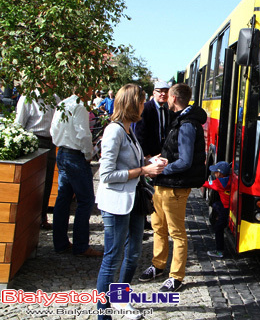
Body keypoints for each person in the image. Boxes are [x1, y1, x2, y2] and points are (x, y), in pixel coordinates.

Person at [95, 84, 166, 320]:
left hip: (133, 199)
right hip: (117, 201)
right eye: (141, 101)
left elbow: (130, 162)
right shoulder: (114, 131)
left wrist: (149, 159)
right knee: (113, 257)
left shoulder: (128, 130)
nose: (144, 105)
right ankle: (102, 314)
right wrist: (144, 169)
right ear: (130, 103)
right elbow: (106, 175)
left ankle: (121, 300)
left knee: (134, 253)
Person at [138, 83, 207, 292]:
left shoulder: (186, 124)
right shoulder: (181, 119)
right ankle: (158, 265)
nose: (166, 99)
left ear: (174, 99)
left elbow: (185, 162)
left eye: (168, 96)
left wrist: (161, 169)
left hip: (174, 186)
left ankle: (176, 276)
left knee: (177, 233)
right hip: (164, 185)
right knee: (158, 226)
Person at [50, 88, 102, 257]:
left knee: (63, 199)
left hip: (63, 152)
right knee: (85, 200)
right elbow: (83, 134)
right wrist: (88, 155)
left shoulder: (63, 103)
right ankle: (81, 246)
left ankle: (60, 243)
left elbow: (53, 130)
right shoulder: (79, 106)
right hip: (75, 156)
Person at [15, 89, 60, 229]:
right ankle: (27, 220)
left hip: (50, 142)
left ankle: (41, 217)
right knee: (32, 183)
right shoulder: (28, 97)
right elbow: (19, 124)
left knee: (46, 182)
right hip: (34, 142)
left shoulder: (55, 97)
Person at [202, 161, 231, 258]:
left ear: (219, 173)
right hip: (230, 207)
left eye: (215, 172)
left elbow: (206, 184)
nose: (214, 174)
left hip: (224, 209)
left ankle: (219, 251)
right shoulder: (232, 180)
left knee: (218, 228)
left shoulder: (218, 183)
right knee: (215, 204)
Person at [134, 80, 170, 159]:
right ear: (154, 93)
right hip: (149, 156)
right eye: (160, 91)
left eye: (166, 92)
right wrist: (147, 155)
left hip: (161, 155)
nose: (163, 94)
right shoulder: (145, 108)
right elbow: (140, 134)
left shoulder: (166, 111)